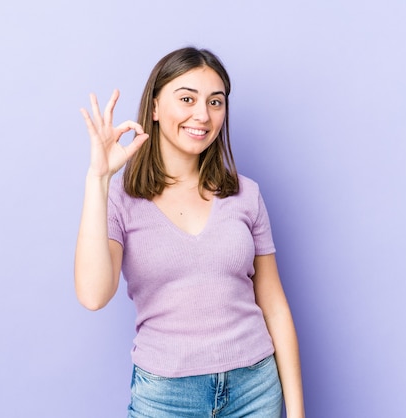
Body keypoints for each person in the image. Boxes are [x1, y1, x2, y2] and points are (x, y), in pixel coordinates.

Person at [75, 47, 305, 418]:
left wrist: (296, 412)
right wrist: (98, 179)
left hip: (256, 390)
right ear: (153, 108)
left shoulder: (245, 194)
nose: (203, 114)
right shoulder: (121, 199)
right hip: (166, 398)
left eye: (216, 102)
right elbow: (93, 294)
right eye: (187, 99)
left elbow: (274, 306)